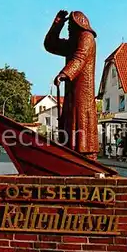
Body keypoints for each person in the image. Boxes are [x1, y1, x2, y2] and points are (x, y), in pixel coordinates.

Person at [44, 10, 99, 160]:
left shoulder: (86, 38)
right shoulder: (73, 42)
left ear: (78, 24)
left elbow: (79, 58)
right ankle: (72, 151)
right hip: (72, 88)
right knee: (71, 116)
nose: (68, 28)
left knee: (81, 115)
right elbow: (50, 44)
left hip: (83, 89)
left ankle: (86, 153)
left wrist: (65, 73)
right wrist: (57, 23)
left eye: (69, 25)